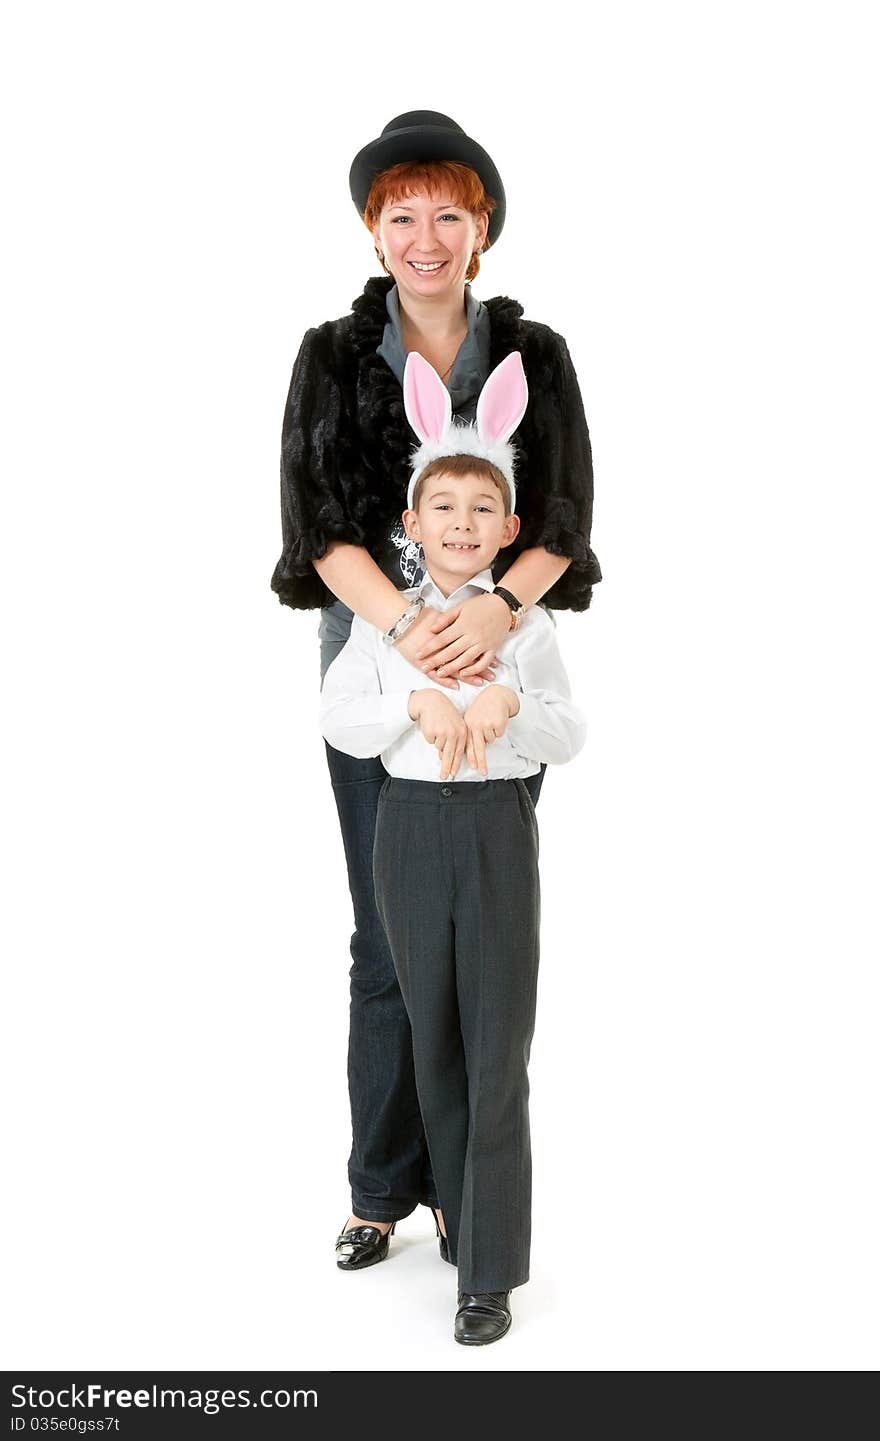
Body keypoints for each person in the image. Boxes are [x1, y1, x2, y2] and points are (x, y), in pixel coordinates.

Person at [270, 111, 601, 1268]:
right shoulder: (330, 355)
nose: (426, 237)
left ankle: (469, 1187)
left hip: (502, 661)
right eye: (400, 216)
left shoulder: (534, 355)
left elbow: (561, 516)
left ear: (482, 229)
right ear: (373, 234)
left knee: (476, 944)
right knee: (385, 937)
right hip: (375, 660)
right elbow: (316, 526)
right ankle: (382, 1185)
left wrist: (496, 615)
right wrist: (415, 630)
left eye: (447, 215)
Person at [319, 349, 587, 1344]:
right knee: (430, 1034)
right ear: (409, 525)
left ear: (510, 529)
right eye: (444, 511)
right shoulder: (382, 627)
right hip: (407, 829)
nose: (462, 526)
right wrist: (413, 700)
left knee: (496, 1043)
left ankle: (489, 1271)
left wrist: (510, 701)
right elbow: (339, 716)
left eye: (483, 511)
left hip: (493, 831)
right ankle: (442, 1210)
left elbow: (568, 730)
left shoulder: (526, 628)